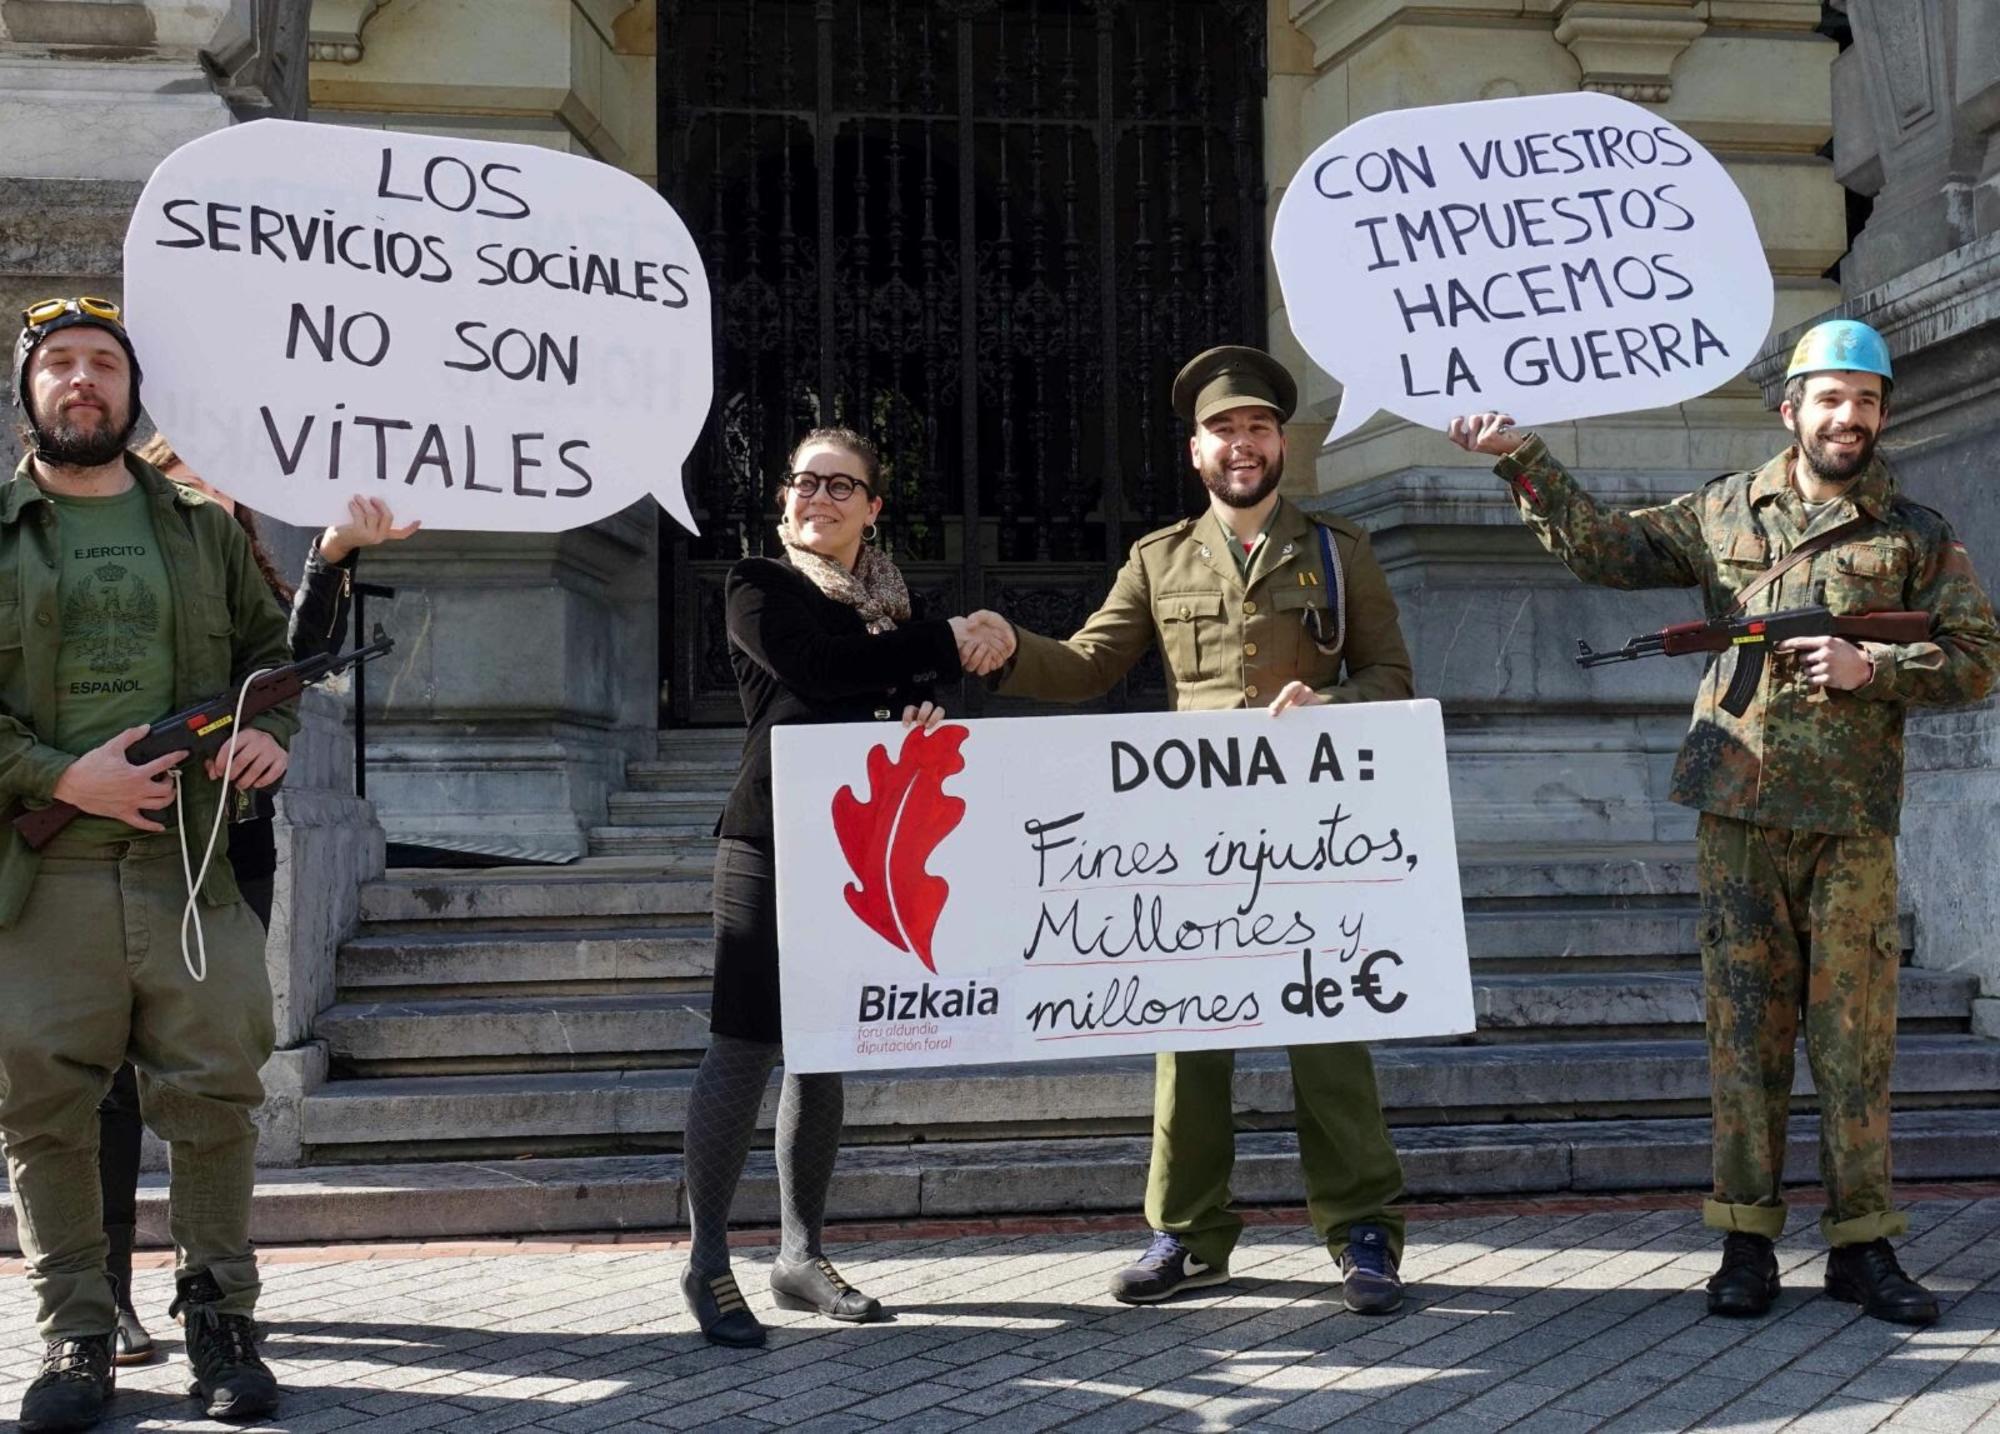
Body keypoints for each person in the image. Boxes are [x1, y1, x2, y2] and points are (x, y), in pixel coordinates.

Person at [1447, 318, 2000, 1326]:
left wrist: (1871, 667)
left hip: (1848, 827)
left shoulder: (1912, 534)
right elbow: (1604, 553)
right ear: (1788, 410)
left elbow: (1976, 658)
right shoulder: (1718, 513)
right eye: (1828, 398)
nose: (1848, 417)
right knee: (1742, 1036)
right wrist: (1519, 458)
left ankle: (1860, 1248)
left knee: (1853, 1043)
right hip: (1736, 810)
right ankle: (1743, 1244)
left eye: (1864, 400)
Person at [979, 346, 1417, 1314]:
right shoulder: (1159, 558)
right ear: (1196, 450)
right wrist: (1012, 652)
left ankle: (1363, 1231)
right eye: (1224, 430)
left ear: (1281, 444)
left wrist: (1331, 701)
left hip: (1312, 836)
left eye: (1257, 427)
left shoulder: (1340, 549)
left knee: (1329, 1031)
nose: (1241, 444)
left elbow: (1394, 678)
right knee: (1188, 1039)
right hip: (1194, 845)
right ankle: (1185, 1230)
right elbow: (1092, 663)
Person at [4, 298, 297, 1429]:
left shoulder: (200, 528)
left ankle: (221, 1324)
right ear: (30, 391)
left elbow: (271, 659)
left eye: (105, 366)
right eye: (61, 365)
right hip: (43, 881)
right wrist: (59, 778)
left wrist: (275, 732)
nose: (84, 382)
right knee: (43, 1111)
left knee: (217, 1096)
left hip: (194, 875)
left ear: (133, 393)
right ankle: (76, 1335)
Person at [88, 435, 415, 1368]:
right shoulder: (120, 583)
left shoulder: (246, 579)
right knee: (108, 1083)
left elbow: (291, 663)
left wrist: (336, 555)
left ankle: (212, 1299)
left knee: (212, 1077)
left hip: (233, 855)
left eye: (221, 488)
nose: (206, 501)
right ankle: (108, 1295)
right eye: (185, 482)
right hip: (119, 854)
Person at [681, 425, 1007, 1347]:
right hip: (768, 839)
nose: (815, 499)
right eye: (802, 483)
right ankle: (708, 1263)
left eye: (838, 486)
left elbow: (923, 694)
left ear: (873, 507)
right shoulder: (758, 584)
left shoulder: (896, 610)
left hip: (860, 854)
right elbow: (819, 671)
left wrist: (931, 694)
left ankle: (798, 1256)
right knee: (742, 1048)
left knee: (825, 1051)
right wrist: (934, 650)